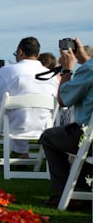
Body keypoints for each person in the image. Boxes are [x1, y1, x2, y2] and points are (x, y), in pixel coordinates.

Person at [0, 37, 59, 168]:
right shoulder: (51, 75)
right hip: (44, 125)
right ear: (37, 54)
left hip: (14, 123)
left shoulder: (8, 71)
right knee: (19, 113)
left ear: (20, 52)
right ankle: (22, 154)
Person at [39, 38, 93, 207]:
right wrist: (85, 61)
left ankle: (64, 191)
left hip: (88, 138)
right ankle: (83, 183)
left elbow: (63, 100)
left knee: (49, 137)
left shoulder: (89, 70)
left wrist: (67, 69)